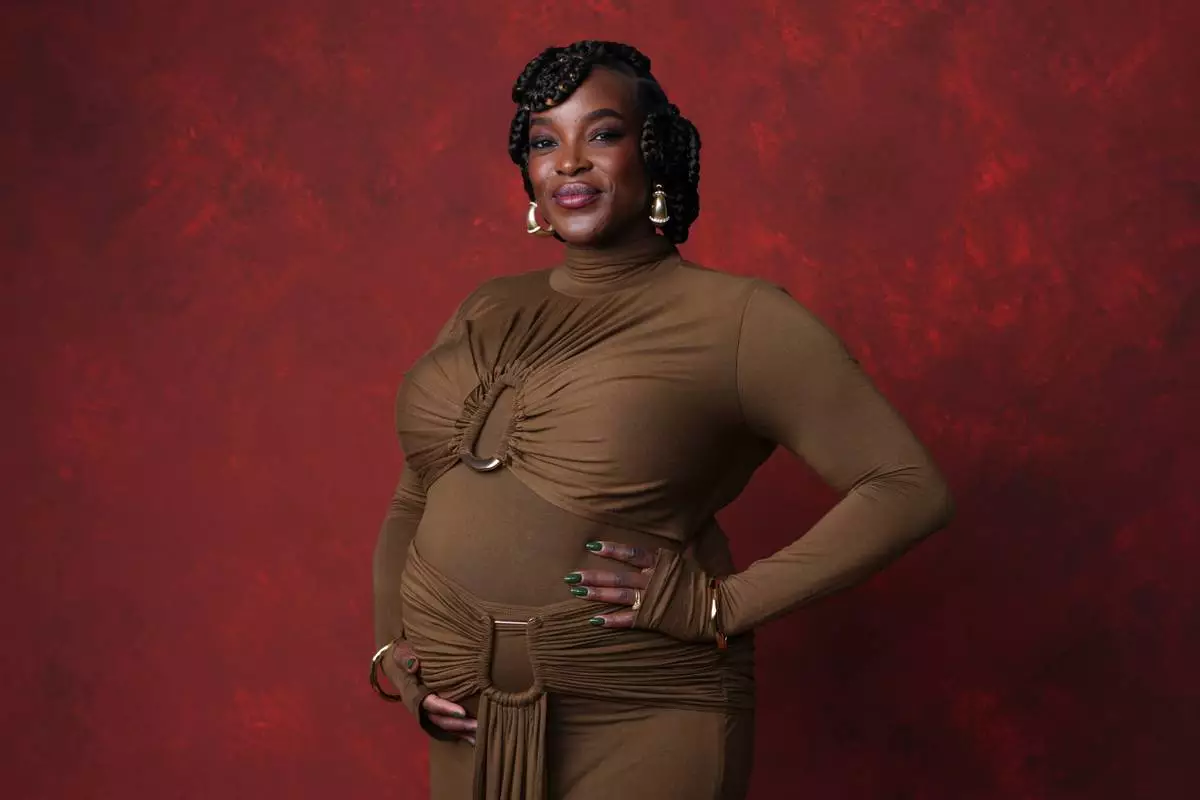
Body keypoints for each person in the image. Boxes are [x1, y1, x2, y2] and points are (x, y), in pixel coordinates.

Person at [369, 40, 954, 800]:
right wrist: (393, 649)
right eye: (545, 140)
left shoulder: (740, 319)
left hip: (643, 717)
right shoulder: (488, 306)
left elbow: (907, 487)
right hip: (468, 722)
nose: (569, 163)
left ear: (654, 154)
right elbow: (417, 495)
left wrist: (722, 603)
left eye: (601, 134)